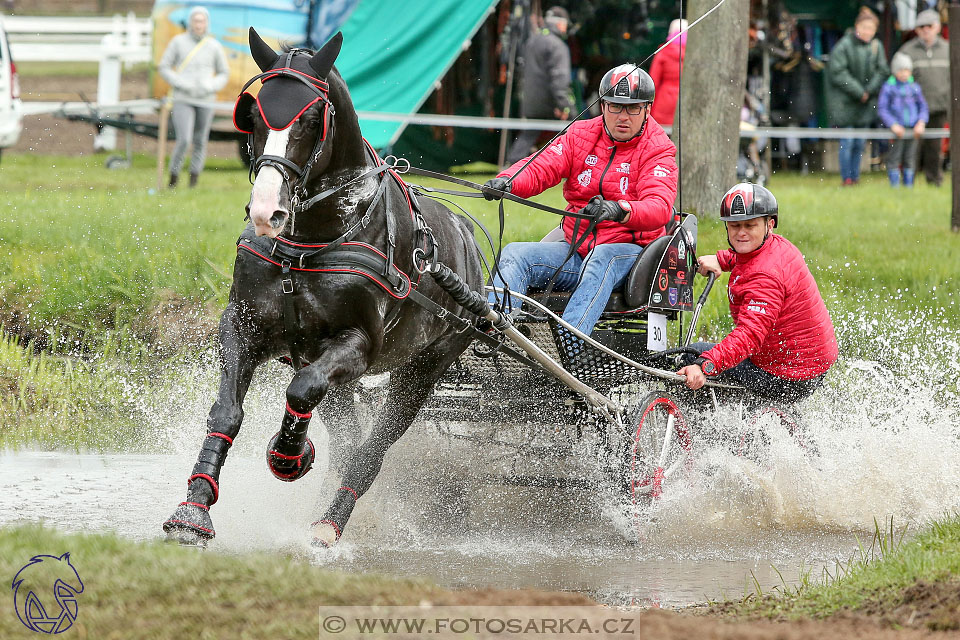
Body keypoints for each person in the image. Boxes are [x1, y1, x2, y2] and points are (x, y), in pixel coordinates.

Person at [482, 65, 678, 343]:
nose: (623, 117)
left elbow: (659, 207)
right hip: (577, 249)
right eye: (614, 107)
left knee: (602, 258)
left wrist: (620, 210)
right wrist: (508, 181)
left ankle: (569, 348)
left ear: (647, 109)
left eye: (632, 109)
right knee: (516, 253)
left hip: (630, 254)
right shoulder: (580, 135)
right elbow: (542, 167)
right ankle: (493, 334)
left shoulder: (658, 149)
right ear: (603, 105)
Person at [676, 183, 838, 404]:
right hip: (806, 364)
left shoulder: (766, 276)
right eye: (734, 226)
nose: (741, 232)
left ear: (769, 224)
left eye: (750, 225)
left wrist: (706, 365)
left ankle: (704, 431)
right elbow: (748, 258)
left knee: (690, 356)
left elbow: (749, 336)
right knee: (707, 355)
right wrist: (723, 260)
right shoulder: (774, 247)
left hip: (788, 376)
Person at [158, 6, 229, 188]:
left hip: (206, 99)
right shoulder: (178, 42)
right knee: (184, 139)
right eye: (196, 21)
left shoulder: (214, 46)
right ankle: (173, 178)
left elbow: (223, 72)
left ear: (207, 23)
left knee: (200, 140)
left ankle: (193, 181)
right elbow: (164, 66)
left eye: (202, 21)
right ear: (190, 22)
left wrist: (212, 85)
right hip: (183, 98)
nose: (199, 24)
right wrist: (179, 82)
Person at [824, 8, 889, 186]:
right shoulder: (844, 46)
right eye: (865, 27)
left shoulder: (877, 47)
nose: (868, 31)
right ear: (856, 26)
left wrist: (869, 90)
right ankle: (847, 178)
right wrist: (860, 92)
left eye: (871, 28)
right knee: (848, 141)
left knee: (860, 143)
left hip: (864, 104)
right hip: (846, 103)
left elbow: (882, 71)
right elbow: (838, 73)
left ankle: (856, 176)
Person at [504, 6, 574, 166]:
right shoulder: (557, 46)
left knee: (529, 135)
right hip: (549, 103)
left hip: (529, 101)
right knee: (571, 133)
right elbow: (560, 80)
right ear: (560, 24)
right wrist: (566, 107)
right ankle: (569, 166)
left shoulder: (532, 40)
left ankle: (511, 165)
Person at [896, 9, 949, 187]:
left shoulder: (948, 49)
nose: (926, 29)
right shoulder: (907, 50)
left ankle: (934, 180)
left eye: (930, 25)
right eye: (921, 26)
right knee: (911, 149)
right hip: (912, 110)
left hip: (939, 107)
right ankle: (907, 183)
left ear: (938, 27)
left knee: (935, 148)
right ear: (916, 29)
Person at [878, 52, 928, 187]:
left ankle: (909, 185)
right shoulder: (888, 88)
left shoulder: (915, 88)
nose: (904, 73)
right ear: (895, 71)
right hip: (896, 130)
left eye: (907, 70)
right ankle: (895, 186)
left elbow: (923, 107)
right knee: (894, 157)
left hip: (913, 129)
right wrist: (893, 124)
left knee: (910, 157)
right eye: (901, 70)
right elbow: (883, 109)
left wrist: (921, 122)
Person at [648, 18, 687, 127]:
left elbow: (652, 83)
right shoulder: (694, 55)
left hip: (665, 101)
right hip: (686, 100)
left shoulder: (663, 52)